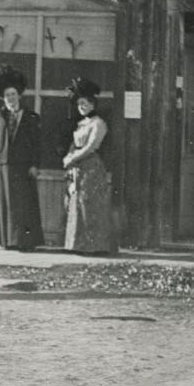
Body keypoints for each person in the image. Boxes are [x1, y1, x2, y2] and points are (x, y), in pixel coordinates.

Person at [0, 64, 44, 252]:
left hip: (24, 167)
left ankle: (24, 242)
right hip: (2, 166)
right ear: (3, 97)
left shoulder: (32, 117)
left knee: (24, 205)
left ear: (19, 95)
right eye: (7, 95)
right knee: (5, 204)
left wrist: (34, 165)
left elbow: (37, 143)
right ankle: (7, 241)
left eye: (13, 94)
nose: (10, 98)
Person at [62, 77, 116, 255]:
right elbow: (74, 144)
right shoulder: (81, 123)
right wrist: (68, 157)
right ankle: (78, 245)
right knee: (76, 202)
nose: (82, 107)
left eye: (85, 104)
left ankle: (95, 246)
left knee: (90, 204)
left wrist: (73, 158)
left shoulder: (98, 123)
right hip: (78, 167)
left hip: (91, 166)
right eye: (79, 104)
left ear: (93, 104)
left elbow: (91, 146)